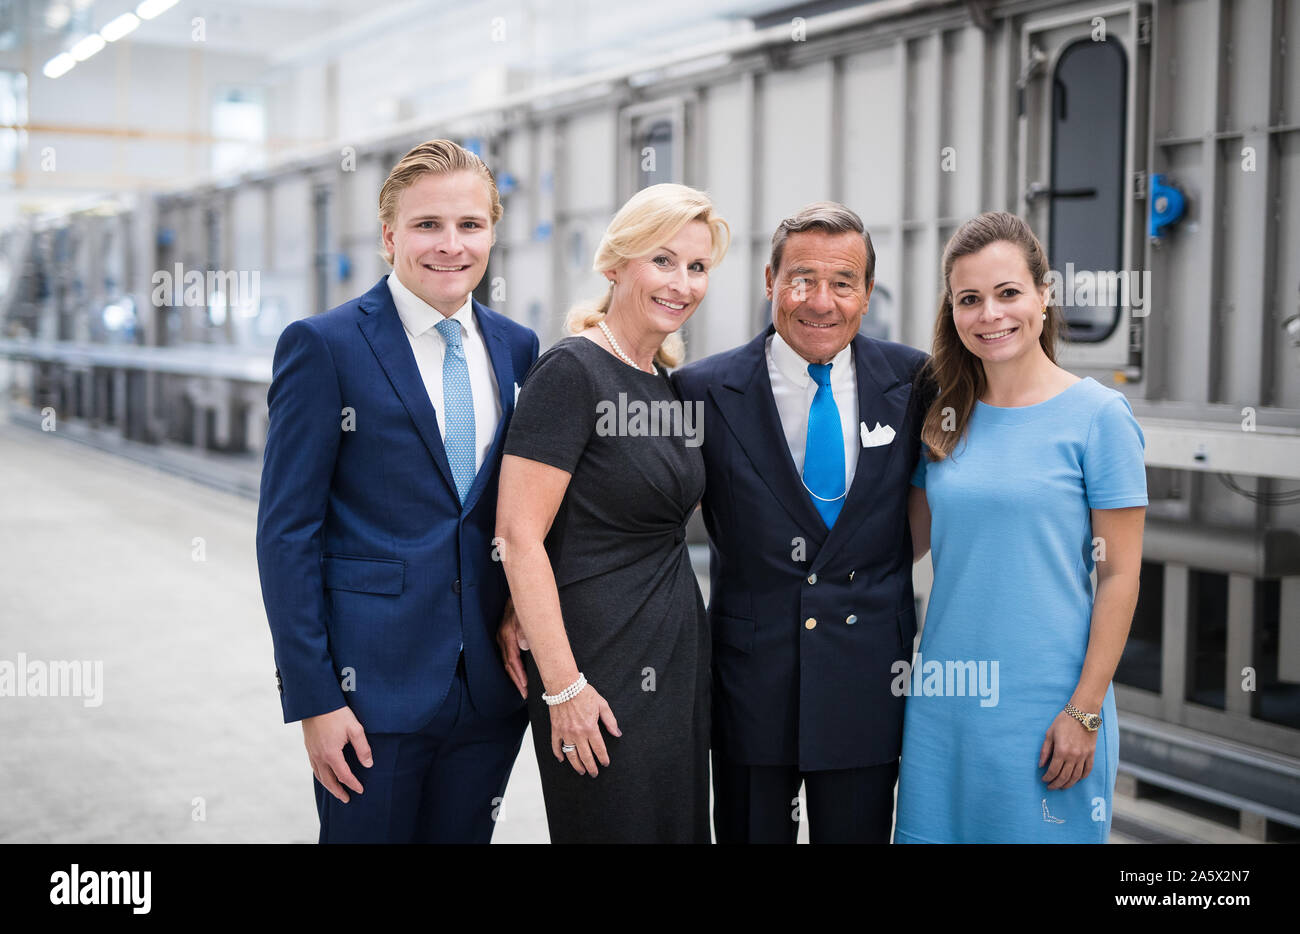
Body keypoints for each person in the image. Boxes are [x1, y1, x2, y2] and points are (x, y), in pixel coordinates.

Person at [255, 139, 539, 843]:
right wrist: (314, 699)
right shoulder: (324, 346)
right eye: (427, 225)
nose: (450, 245)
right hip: (369, 693)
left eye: (470, 225)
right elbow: (287, 533)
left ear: (493, 232)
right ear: (389, 237)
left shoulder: (518, 348)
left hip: (488, 694)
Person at [671, 202, 930, 844]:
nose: (821, 301)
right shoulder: (699, 390)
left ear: (868, 293)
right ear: (769, 282)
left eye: (843, 283)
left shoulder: (916, 379)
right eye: (801, 278)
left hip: (869, 680)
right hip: (751, 683)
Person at [893, 211, 1147, 844]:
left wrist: (1084, 711)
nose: (990, 314)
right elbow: (900, 545)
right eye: (969, 299)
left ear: (1044, 294)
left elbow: (1120, 575)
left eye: (1008, 293)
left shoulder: (1098, 418)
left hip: (1049, 706)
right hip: (945, 701)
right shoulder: (945, 417)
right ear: (951, 311)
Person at [494, 183, 730, 843]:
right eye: (663, 260)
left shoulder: (662, 380)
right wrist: (563, 685)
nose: (681, 282)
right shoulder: (572, 371)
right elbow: (518, 536)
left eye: (698, 266)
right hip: (598, 662)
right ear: (616, 264)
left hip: (675, 655)